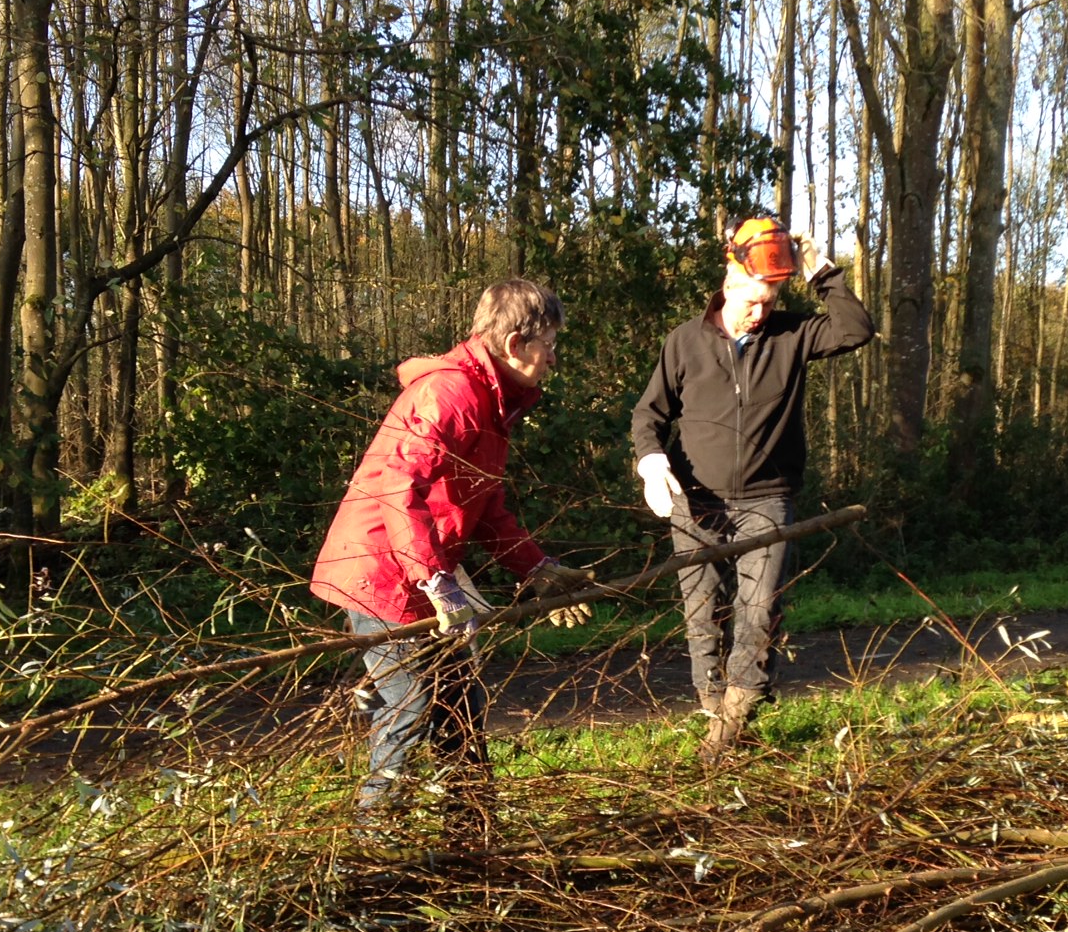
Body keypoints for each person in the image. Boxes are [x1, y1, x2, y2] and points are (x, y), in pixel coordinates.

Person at [310, 279, 591, 818]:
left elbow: (484, 506)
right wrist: (436, 582)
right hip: (380, 573)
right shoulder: (451, 394)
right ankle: (372, 833)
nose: (554, 358)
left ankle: (472, 828)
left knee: (459, 704)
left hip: (417, 571)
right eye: (549, 344)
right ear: (515, 343)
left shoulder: (490, 401)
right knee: (412, 706)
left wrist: (536, 568)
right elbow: (399, 487)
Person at [630, 215, 874, 760]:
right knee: (703, 616)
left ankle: (730, 726)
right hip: (694, 501)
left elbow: (856, 329)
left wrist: (821, 271)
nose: (760, 312)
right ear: (727, 284)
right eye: (751, 301)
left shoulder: (792, 334)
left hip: (767, 499)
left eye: (769, 301)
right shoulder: (685, 342)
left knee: (759, 612)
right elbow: (649, 414)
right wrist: (650, 459)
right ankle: (713, 709)